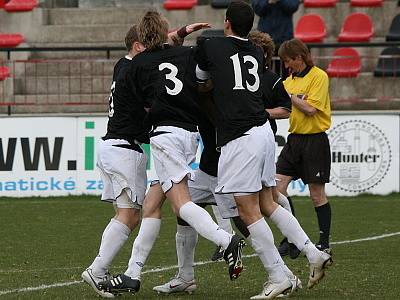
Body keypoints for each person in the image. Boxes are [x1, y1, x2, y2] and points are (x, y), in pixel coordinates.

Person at [98, 11, 245, 296]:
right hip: (189, 134)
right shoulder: (186, 55)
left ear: (141, 39)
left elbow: (139, 106)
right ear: (166, 33)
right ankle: (133, 273)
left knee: (182, 204)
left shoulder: (139, 64)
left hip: (165, 136)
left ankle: (226, 240)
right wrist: (182, 34)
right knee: (153, 205)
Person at [195, 2, 302, 298]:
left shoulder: (210, 46)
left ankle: (277, 273)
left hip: (241, 136)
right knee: (266, 200)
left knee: (249, 209)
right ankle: (299, 259)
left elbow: (201, 83)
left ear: (226, 21)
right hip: (262, 132)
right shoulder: (255, 53)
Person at [81, 25, 147, 299]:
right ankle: (97, 270)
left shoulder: (123, 66)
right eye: (148, 44)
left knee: (126, 215)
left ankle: (100, 270)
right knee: (129, 215)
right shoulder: (132, 69)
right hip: (123, 149)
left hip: (113, 146)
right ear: (137, 45)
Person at [276, 38, 333, 257]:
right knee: (276, 189)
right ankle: (292, 238)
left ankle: (324, 242)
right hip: (294, 141)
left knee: (316, 195)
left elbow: (310, 109)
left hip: (315, 140)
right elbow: (286, 109)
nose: (286, 66)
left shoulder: (319, 76)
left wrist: (289, 97)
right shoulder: (288, 80)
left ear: (299, 57)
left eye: (288, 61)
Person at [252, 0, 300, 78]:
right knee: (263, 70)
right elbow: (257, 8)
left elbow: (293, 6)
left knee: (284, 70)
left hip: (284, 37)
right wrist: (269, 2)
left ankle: (283, 89)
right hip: (265, 38)